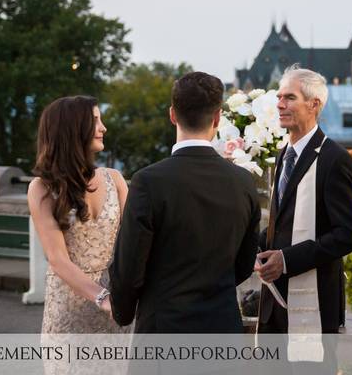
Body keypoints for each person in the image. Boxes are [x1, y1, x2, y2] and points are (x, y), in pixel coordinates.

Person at [109, 71, 261, 333]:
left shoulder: (148, 181)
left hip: (164, 330)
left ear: (172, 114)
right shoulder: (243, 182)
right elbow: (245, 264)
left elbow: (129, 265)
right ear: (217, 118)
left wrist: (122, 312)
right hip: (222, 330)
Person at [256, 65, 352, 334]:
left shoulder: (334, 159)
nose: (280, 104)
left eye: (289, 98)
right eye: (279, 97)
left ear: (314, 104)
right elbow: (281, 224)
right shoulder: (283, 155)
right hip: (274, 304)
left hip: (313, 305)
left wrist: (287, 259)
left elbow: (349, 234)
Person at [27, 95, 128, 334]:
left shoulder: (115, 179)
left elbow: (133, 243)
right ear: (72, 128)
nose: (103, 128)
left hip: (118, 310)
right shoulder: (42, 188)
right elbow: (57, 259)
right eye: (95, 121)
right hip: (69, 310)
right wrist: (103, 299)